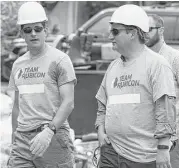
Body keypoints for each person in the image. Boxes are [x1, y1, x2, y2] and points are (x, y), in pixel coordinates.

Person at [95, 4, 176, 168]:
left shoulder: (157, 65)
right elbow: (102, 104)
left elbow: (165, 108)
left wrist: (162, 148)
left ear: (132, 33)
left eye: (115, 31)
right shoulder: (113, 67)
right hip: (111, 152)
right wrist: (100, 130)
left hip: (143, 158)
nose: (110, 36)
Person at [7, 2, 76, 168]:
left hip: (52, 137)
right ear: (22, 33)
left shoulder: (60, 60)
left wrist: (50, 130)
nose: (33, 34)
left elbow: (68, 102)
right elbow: (17, 105)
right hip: (22, 141)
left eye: (37, 28)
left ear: (45, 29)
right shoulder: (18, 65)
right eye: (28, 30)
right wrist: (13, 140)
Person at [146, 14, 179, 168]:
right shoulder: (140, 60)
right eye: (141, 30)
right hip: (145, 140)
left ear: (161, 30)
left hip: (172, 141)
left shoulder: (174, 58)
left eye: (149, 29)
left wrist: (171, 138)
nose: (144, 34)